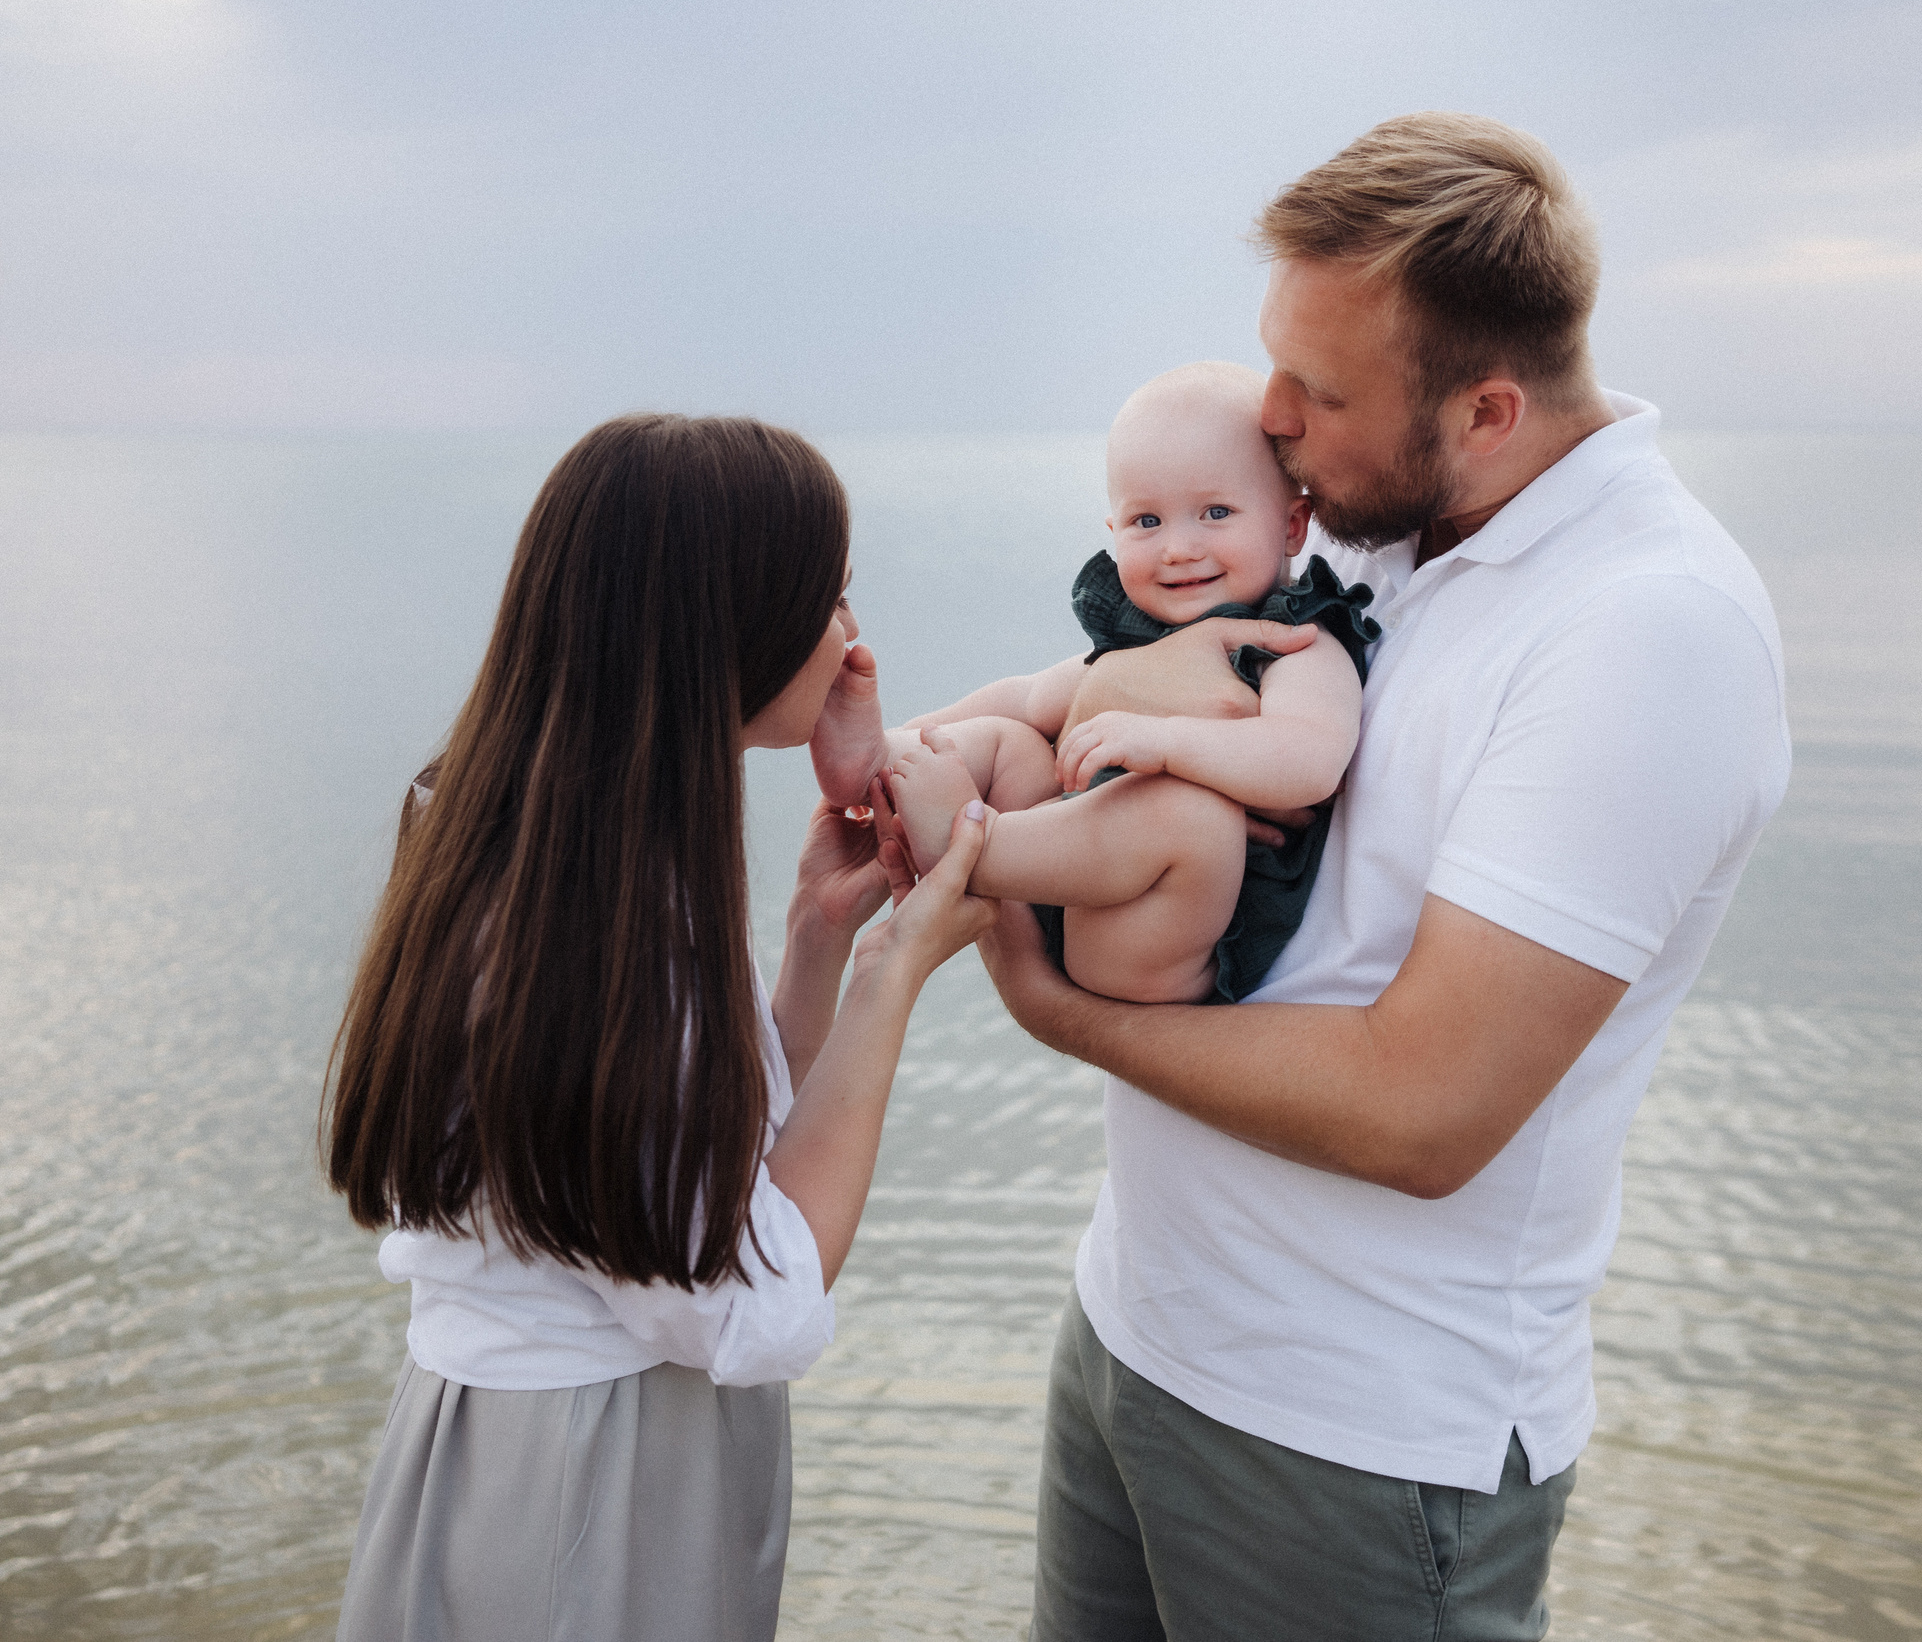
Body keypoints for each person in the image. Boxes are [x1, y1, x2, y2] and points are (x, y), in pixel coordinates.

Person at [976, 113, 1793, 1640]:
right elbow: (1126, 685)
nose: (1270, 419)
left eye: (1320, 390)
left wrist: (1058, 1006)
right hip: (1138, 1331)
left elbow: (1425, 1107)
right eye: (1273, 360)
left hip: (1354, 1438)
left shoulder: (1646, 631)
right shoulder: (1374, 528)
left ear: (1487, 410)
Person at [320, 413, 995, 1642]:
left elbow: (692, 1174)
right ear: (728, 625)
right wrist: (894, 974)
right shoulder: (609, 922)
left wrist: (811, 949)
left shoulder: (519, 844)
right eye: (829, 595)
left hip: (492, 1447)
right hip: (598, 1475)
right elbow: (753, 1299)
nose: (852, 638)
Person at [840, 361, 1377, 1006]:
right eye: (1146, 522)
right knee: (1008, 737)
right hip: (1069, 895)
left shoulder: (1294, 643)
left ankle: (970, 850)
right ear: (1113, 533)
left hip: (1165, 943)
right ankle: (875, 765)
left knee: (1187, 811)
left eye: (1215, 512)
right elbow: (1029, 696)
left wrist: (1167, 742)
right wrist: (905, 736)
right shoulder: (1141, 642)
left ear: (1292, 525)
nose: (1178, 547)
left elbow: (1311, 761)